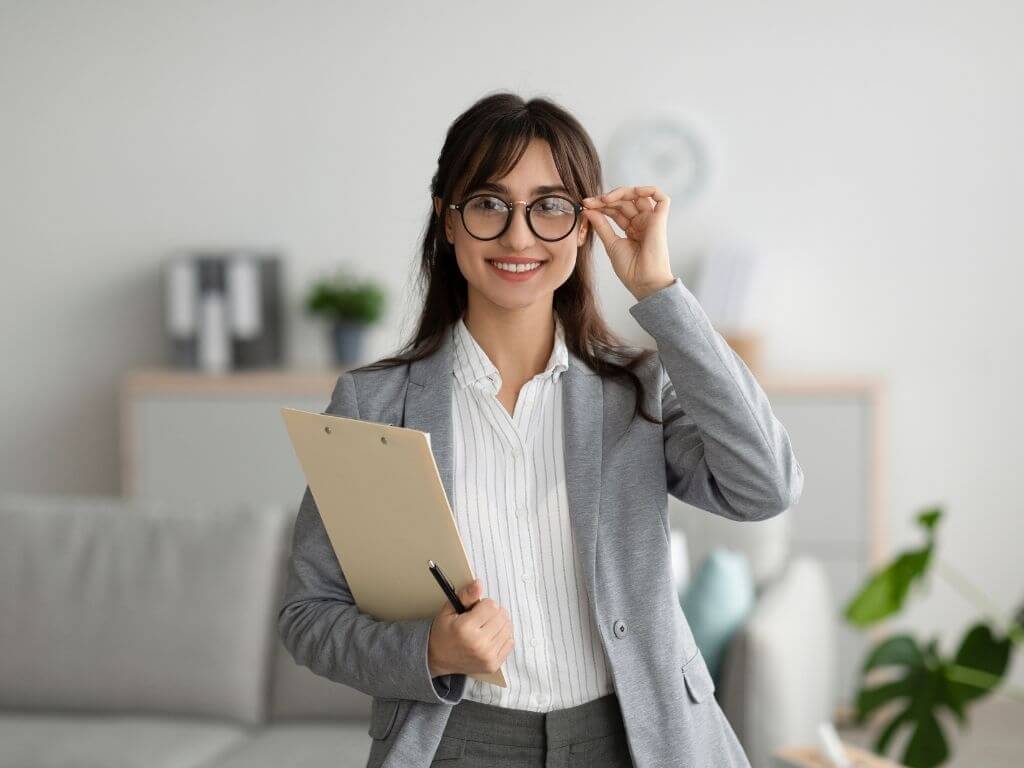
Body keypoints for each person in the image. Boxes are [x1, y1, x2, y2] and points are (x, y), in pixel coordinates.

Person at [278, 91, 804, 768]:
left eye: (550, 206)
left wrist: (660, 293)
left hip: (632, 742)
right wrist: (428, 651)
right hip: (458, 744)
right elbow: (309, 615)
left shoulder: (636, 390)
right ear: (448, 221)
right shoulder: (373, 403)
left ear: (584, 225)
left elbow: (765, 485)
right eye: (489, 204)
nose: (519, 237)